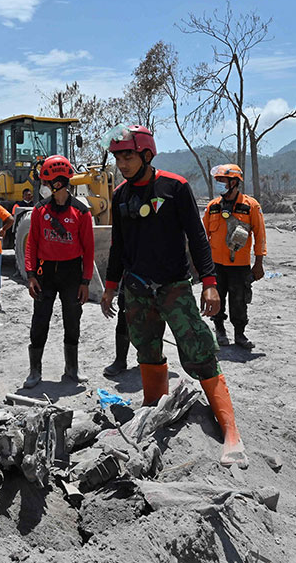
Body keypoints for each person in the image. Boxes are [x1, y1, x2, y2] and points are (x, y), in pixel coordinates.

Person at [100, 124, 247, 468]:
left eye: (129, 156)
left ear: (146, 154)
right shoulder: (120, 195)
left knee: (199, 351)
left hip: (175, 288)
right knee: (146, 349)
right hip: (136, 289)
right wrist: (110, 287)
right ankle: (153, 411)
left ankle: (230, 432)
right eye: (118, 157)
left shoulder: (175, 187)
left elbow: (197, 237)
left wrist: (209, 282)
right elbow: (119, 247)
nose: (122, 163)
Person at [23, 156, 95, 388]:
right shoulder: (39, 210)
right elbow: (31, 243)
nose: (44, 186)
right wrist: (31, 274)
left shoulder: (81, 212)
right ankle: (35, 371)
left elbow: (89, 249)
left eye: (47, 181)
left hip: (71, 272)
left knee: (72, 320)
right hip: (45, 272)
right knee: (40, 320)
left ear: (58, 182)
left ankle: (71, 369)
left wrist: (85, 281)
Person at [203, 164, 267, 349]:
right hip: (216, 265)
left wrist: (259, 263)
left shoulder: (251, 206)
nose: (219, 185)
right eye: (218, 181)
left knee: (239, 301)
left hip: (240, 265)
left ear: (234, 182)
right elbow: (202, 237)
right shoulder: (212, 207)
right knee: (217, 299)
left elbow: (260, 235)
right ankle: (220, 331)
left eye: (222, 181)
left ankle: (240, 334)